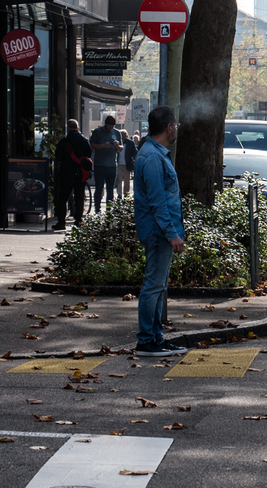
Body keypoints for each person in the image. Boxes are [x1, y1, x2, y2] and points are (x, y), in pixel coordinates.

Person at [133, 105, 185, 356]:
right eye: (175, 125)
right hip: (158, 232)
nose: (176, 130)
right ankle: (146, 340)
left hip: (158, 230)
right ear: (169, 127)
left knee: (158, 285)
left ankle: (155, 337)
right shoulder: (153, 157)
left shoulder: (153, 153)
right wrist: (172, 234)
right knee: (154, 286)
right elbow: (157, 202)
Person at [52, 120, 92, 230]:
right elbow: (89, 155)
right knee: (79, 197)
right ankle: (78, 221)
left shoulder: (64, 142)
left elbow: (58, 156)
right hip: (80, 173)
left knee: (63, 198)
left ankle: (61, 222)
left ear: (68, 128)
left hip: (66, 173)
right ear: (78, 128)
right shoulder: (84, 141)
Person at [89, 113, 120, 211]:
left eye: (112, 127)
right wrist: (103, 146)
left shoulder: (117, 133)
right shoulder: (98, 132)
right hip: (100, 165)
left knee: (110, 190)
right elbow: (92, 145)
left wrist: (117, 145)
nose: (110, 128)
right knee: (99, 188)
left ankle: (109, 209)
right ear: (105, 124)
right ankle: (97, 209)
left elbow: (121, 148)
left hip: (112, 165)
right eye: (109, 126)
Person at [119, 129, 137, 197]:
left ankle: (126, 193)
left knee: (127, 180)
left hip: (127, 163)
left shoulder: (130, 143)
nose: (123, 138)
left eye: (124, 136)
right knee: (119, 180)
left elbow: (135, 152)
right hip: (119, 163)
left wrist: (134, 159)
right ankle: (119, 194)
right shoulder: (118, 142)